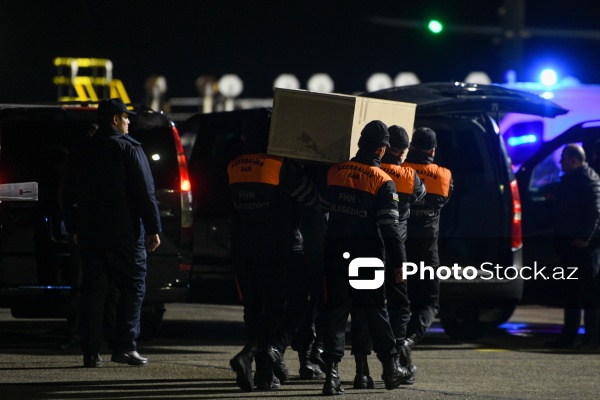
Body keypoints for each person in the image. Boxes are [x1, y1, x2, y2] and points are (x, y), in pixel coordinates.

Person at [62, 98, 161, 368]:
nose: (129, 122)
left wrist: (73, 227)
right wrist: (153, 228)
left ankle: (91, 352)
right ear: (115, 120)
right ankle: (125, 346)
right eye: (126, 118)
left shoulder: (82, 149)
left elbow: (67, 195)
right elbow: (144, 192)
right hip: (125, 235)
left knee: (93, 292)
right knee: (133, 287)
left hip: (91, 234)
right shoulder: (128, 148)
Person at [227, 108, 319, 392]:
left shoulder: (234, 165)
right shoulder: (277, 165)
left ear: (244, 136)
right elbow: (310, 197)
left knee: (253, 307)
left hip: (242, 249)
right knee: (283, 307)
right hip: (274, 248)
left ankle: (264, 374)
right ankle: (251, 355)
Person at [319, 120, 412, 395]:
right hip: (368, 257)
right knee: (375, 313)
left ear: (360, 143)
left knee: (335, 313)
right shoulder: (383, 181)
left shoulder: (334, 172)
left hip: (335, 254)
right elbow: (390, 229)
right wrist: (399, 263)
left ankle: (332, 377)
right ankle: (390, 368)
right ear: (382, 150)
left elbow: (323, 205)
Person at [349, 125, 426, 388]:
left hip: (364, 248)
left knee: (362, 310)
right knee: (397, 308)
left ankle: (361, 371)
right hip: (393, 252)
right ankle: (396, 364)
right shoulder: (408, 175)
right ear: (403, 151)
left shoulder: (370, 172)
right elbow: (420, 195)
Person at [402, 127, 453, 382]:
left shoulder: (398, 171)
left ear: (411, 146)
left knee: (397, 306)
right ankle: (408, 343)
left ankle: (396, 358)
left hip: (397, 251)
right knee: (428, 305)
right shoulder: (444, 175)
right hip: (426, 253)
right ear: (433, 151)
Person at [545, 144, 600, 349]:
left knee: (588, 294)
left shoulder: (587, 179)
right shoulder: (576, 179)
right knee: (572, 293)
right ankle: (569, 336)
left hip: (584, 247)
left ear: (574, 160)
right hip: (573, 245)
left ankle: (591, 338)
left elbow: (595, 211)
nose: (560, 162)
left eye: (564, 159)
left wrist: (585, 238)